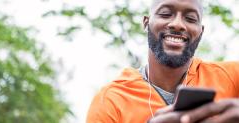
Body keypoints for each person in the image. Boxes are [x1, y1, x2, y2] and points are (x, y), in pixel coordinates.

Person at [86, 0, 239, 122]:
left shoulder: (232, 76)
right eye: (166, 14)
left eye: (191, 18)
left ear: (200, 31)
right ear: (146, 23)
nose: (178, 24)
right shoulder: (111, 101)